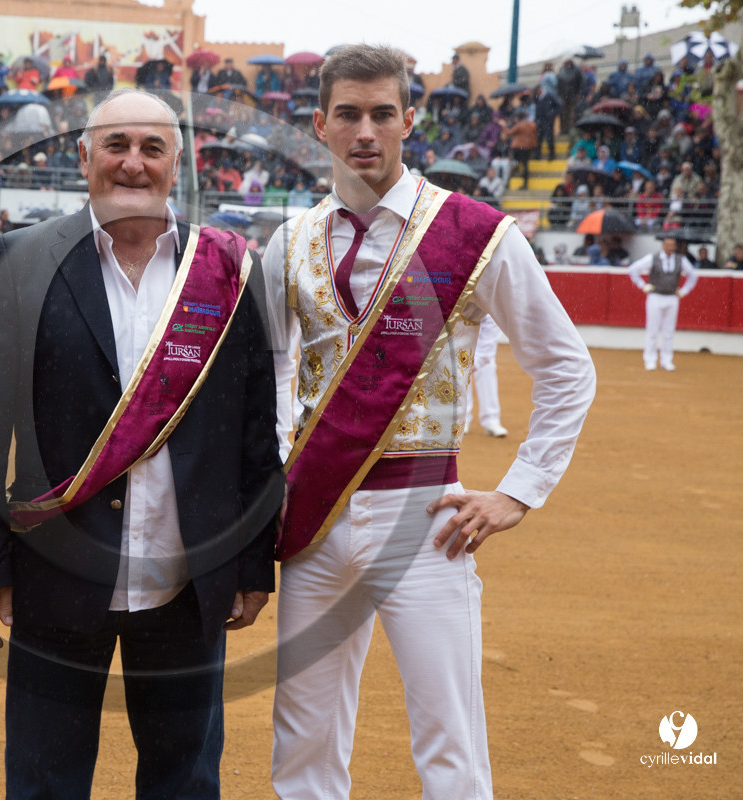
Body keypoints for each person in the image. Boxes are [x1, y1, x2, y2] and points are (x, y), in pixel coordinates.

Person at [263, 44, 596, 799]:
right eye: (348, 114)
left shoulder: (477, 234)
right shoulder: (290, 242)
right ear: (319, 124)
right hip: (313, 519)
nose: (366, 131)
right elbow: (272, 373)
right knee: (303, 744)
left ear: (410, 120)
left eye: (383, 113)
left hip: (428, 515)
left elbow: (566, 366)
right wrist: (281, 468)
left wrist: (517, 491)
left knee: (449, 740)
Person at [0, 88, 282, 799]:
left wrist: (255, 561)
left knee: (184, 780)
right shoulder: (21, 258)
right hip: (55, 571)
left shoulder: (228, 270)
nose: (132, 164)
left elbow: (256, 423)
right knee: (45, 779)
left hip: (186, 575)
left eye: (151, 148)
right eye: (115, 145)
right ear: (83, 156)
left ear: (177, 162)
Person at [626, 236, 698, 371]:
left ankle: (666, 360)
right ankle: (650, 359)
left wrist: (684, 290)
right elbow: (633, 269)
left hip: (672, 297)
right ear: (663, 245)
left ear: (675, 246)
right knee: (652, 330)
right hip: (655, 296)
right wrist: (643, 285)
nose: (670, 247)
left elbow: (693, 275)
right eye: (667, 244)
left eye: (672, 245)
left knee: (668, 331)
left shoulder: (680, 260)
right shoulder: (652, 258)